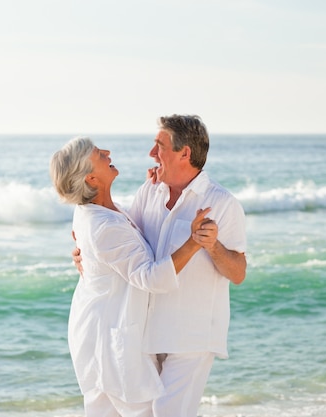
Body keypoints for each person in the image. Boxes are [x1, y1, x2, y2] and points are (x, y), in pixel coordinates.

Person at [75, 115, 247, 417]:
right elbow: (127, 239)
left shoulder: (222, 203)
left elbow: (238, 273)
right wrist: (88, 253)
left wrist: (212, 245)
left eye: (159, 146)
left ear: (185, 154)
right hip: (147, 333)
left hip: (191, 334)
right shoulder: (149, 191)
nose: (152, 154)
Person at [50, 136, 213, 417]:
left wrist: (153, 189)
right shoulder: (103, 225)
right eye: (98, 154)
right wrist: (194, 241)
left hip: (103, 332)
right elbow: (150, 278)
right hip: (110, 341)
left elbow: (127, 247)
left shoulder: (103, 212)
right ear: (91, 178)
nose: (107, 152)